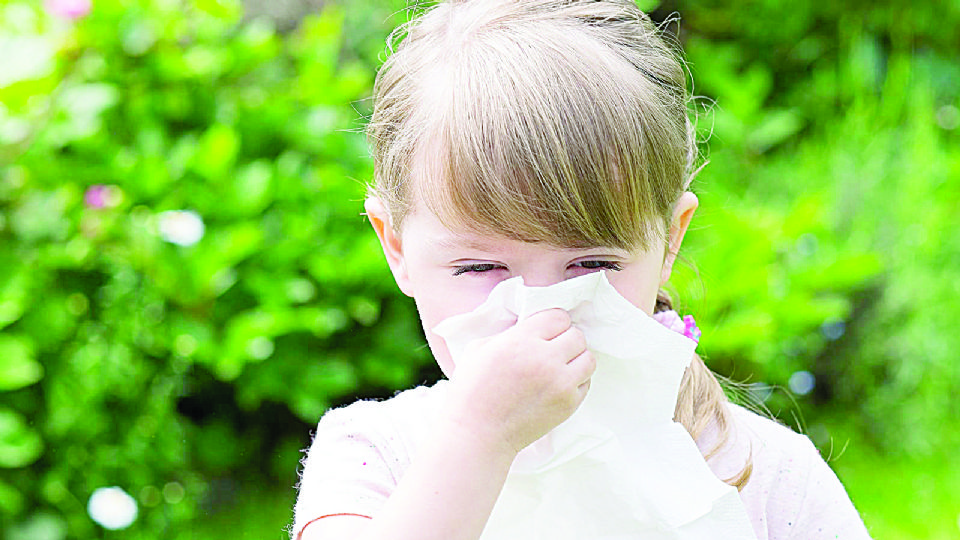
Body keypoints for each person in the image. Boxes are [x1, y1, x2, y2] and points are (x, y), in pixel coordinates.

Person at [291, 1, 872, 539]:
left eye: (593, 262)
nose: (541, 311)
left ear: (669, 239)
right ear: (396, 247)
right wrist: (478, 438)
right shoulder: (373, 457)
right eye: (479, 266)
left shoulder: (766, 476)